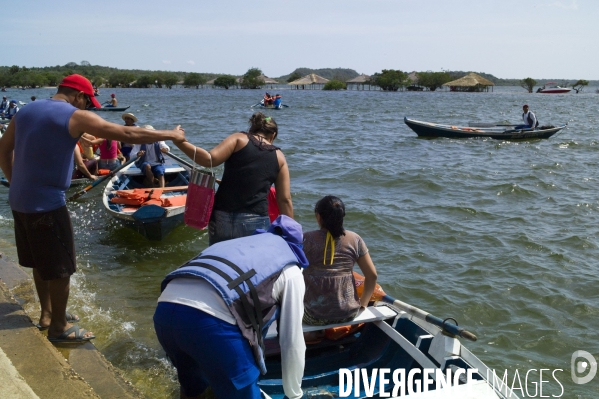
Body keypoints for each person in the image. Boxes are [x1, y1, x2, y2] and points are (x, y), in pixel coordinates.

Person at [0, 74, 184, 343]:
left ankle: (48, 314)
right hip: (48, 204)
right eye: (88, 102)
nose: (87, 107)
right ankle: (59, 328)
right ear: (78, 96)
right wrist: (172, 134)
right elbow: (127, 133)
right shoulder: (74, 115)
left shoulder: (26, 111)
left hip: (20, 200)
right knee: (62, 266)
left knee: (41, 261)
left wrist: (15, 182)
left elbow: (3, 149)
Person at [154, 215, 306, 399]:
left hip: (165, 309)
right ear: (297, 249)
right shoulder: (291, 269)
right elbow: (292, 341)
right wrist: (294, 394)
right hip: (209, 324)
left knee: (194, 391)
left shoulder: (240, 244)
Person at [173, 112, 293, 245]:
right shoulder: (279, 157)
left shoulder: (238, 139)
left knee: (219, 262)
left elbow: (209, 159)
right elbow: (284, 200)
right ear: (273, 135)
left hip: (221, 217)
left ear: (252, 129)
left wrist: (179, 141)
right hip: (254, 219)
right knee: (250, 264)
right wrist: (291, 234)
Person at [301, 195, 378, 340]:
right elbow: (372, 275)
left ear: (319, 217)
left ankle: (314, 334)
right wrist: (363, 305)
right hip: (348, 314)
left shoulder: (306, 239)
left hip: (314, 316)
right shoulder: (355, 239)